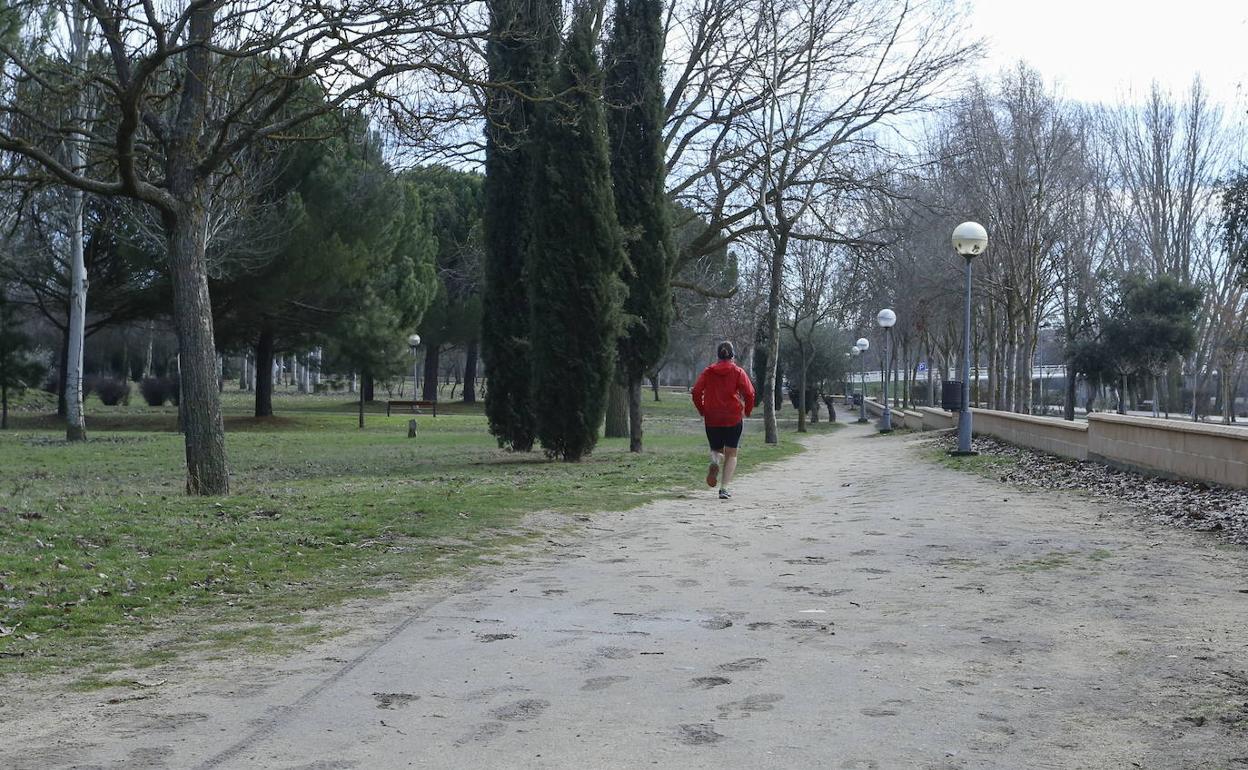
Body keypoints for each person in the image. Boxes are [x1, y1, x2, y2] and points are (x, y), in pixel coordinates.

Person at [691, 341, 756, 499]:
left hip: (712, 417)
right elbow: (749, 393)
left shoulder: (708, 371)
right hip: (732, 417)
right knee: (732, 454)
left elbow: (696, 391)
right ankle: (724, 489)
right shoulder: (738, 371)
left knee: (717, 450)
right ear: (732, 356)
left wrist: (702, 409)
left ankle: (715, 460)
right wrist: (747, 410)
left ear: (718, 356)